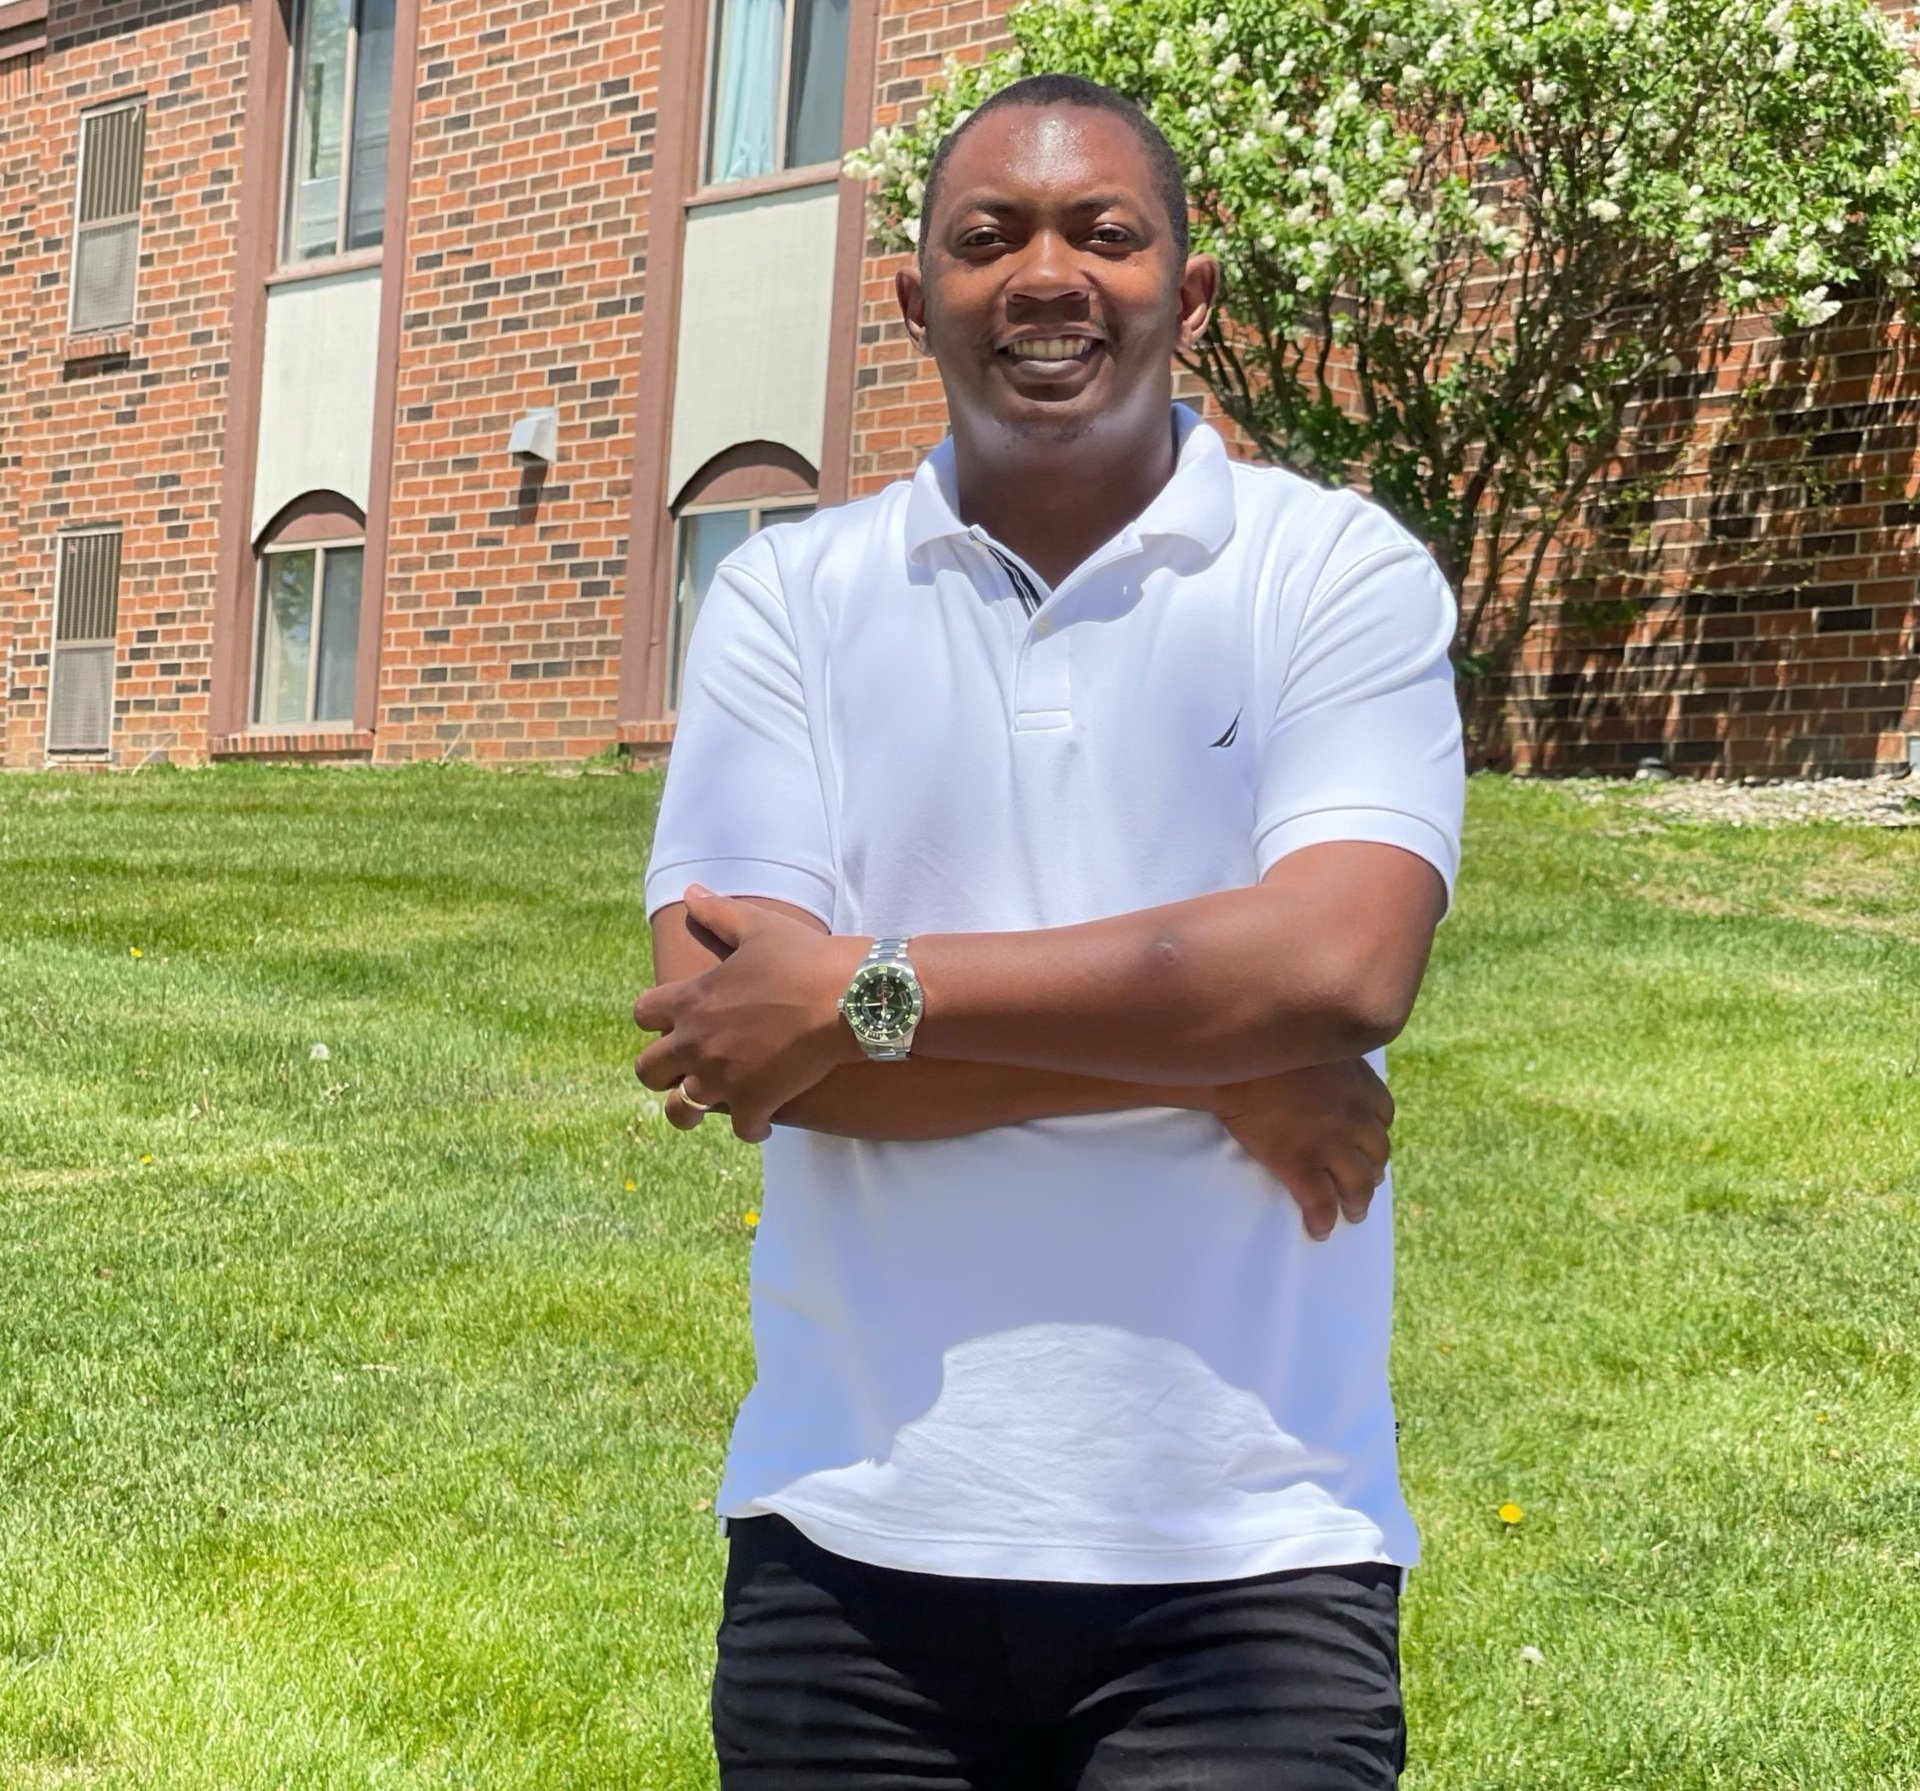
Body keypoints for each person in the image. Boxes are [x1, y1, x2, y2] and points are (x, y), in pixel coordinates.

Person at [634, 72, 1464, 1790]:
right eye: (988, 236)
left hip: (1250, 1546)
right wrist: (1227, 1069)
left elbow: (1338, 969)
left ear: (1192, 285)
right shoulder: (792, 596)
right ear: (911, 291)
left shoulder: (1334, 576)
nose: (1048, 275)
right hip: (850, 1537)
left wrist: (859, 991)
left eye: (1107, 232)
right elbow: (738, 1042)